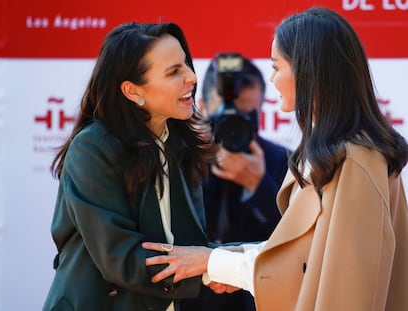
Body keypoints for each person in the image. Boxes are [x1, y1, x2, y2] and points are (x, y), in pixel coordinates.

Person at [142, 6, 408, 311]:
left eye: (276, 66)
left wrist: (255, 189)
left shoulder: (356, 160)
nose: (273, 78)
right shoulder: (327, 154)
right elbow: (303, 259)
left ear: (309, 72)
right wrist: (216, 263)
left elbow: (347, 285)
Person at [42, 21, 219, 311]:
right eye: (174, 72)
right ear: (132, 90)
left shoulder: (180, 144)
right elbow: (121, 258)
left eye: (186, 64)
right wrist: (212, 271)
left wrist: (230, 263)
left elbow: (188, 245)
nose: (191, 77)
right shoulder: (92, 148)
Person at [180, 55, 289, 311]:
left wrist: (259, 186)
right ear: (203, 105)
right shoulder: (178, 158)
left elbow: (291, 247)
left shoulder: (284, 163)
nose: (235, 125)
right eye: (227, 116)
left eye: (247, 116)